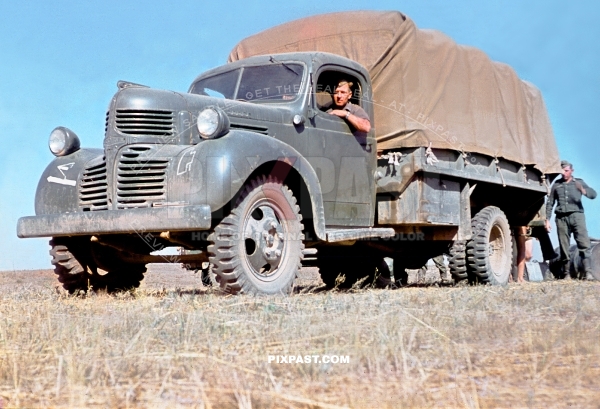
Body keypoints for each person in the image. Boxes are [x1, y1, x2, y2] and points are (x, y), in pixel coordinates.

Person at [545, 160, 597, 280]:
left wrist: (583, 190)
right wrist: (547, 219)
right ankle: (566, 273)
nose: (564, 173)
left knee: (583, 243)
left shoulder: (578, 182)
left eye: (566, 171)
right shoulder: (557, 184)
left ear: (571, 171)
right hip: (562, 218)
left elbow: (593, 194)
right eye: (562, 171)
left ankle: (587, 272)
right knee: (564, 246)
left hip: (577, 216)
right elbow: (550, 203)